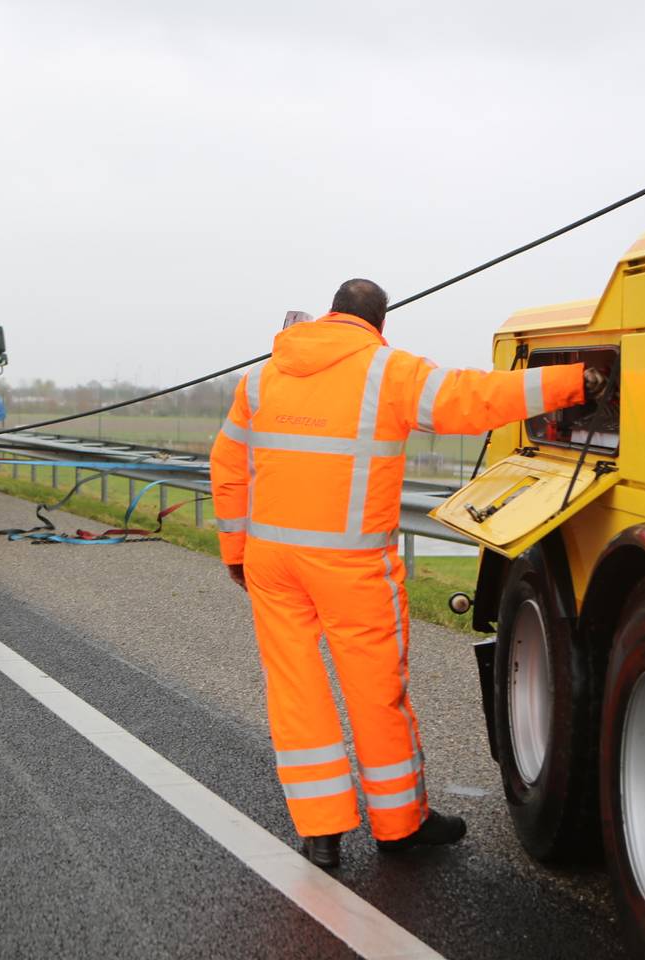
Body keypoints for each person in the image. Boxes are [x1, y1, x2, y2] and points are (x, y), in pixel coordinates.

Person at [209, 279, 604, 869]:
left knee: (295, 691)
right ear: (380, 322)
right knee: (375, 693)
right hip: (350, 566)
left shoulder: (264, 376)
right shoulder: (386, 371)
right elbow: (475, 398)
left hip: (273, 563)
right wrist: (574, 382)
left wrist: (236, 551)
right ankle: (398, 824)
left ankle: (321, 834)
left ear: (330, 314)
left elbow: (227, 463)